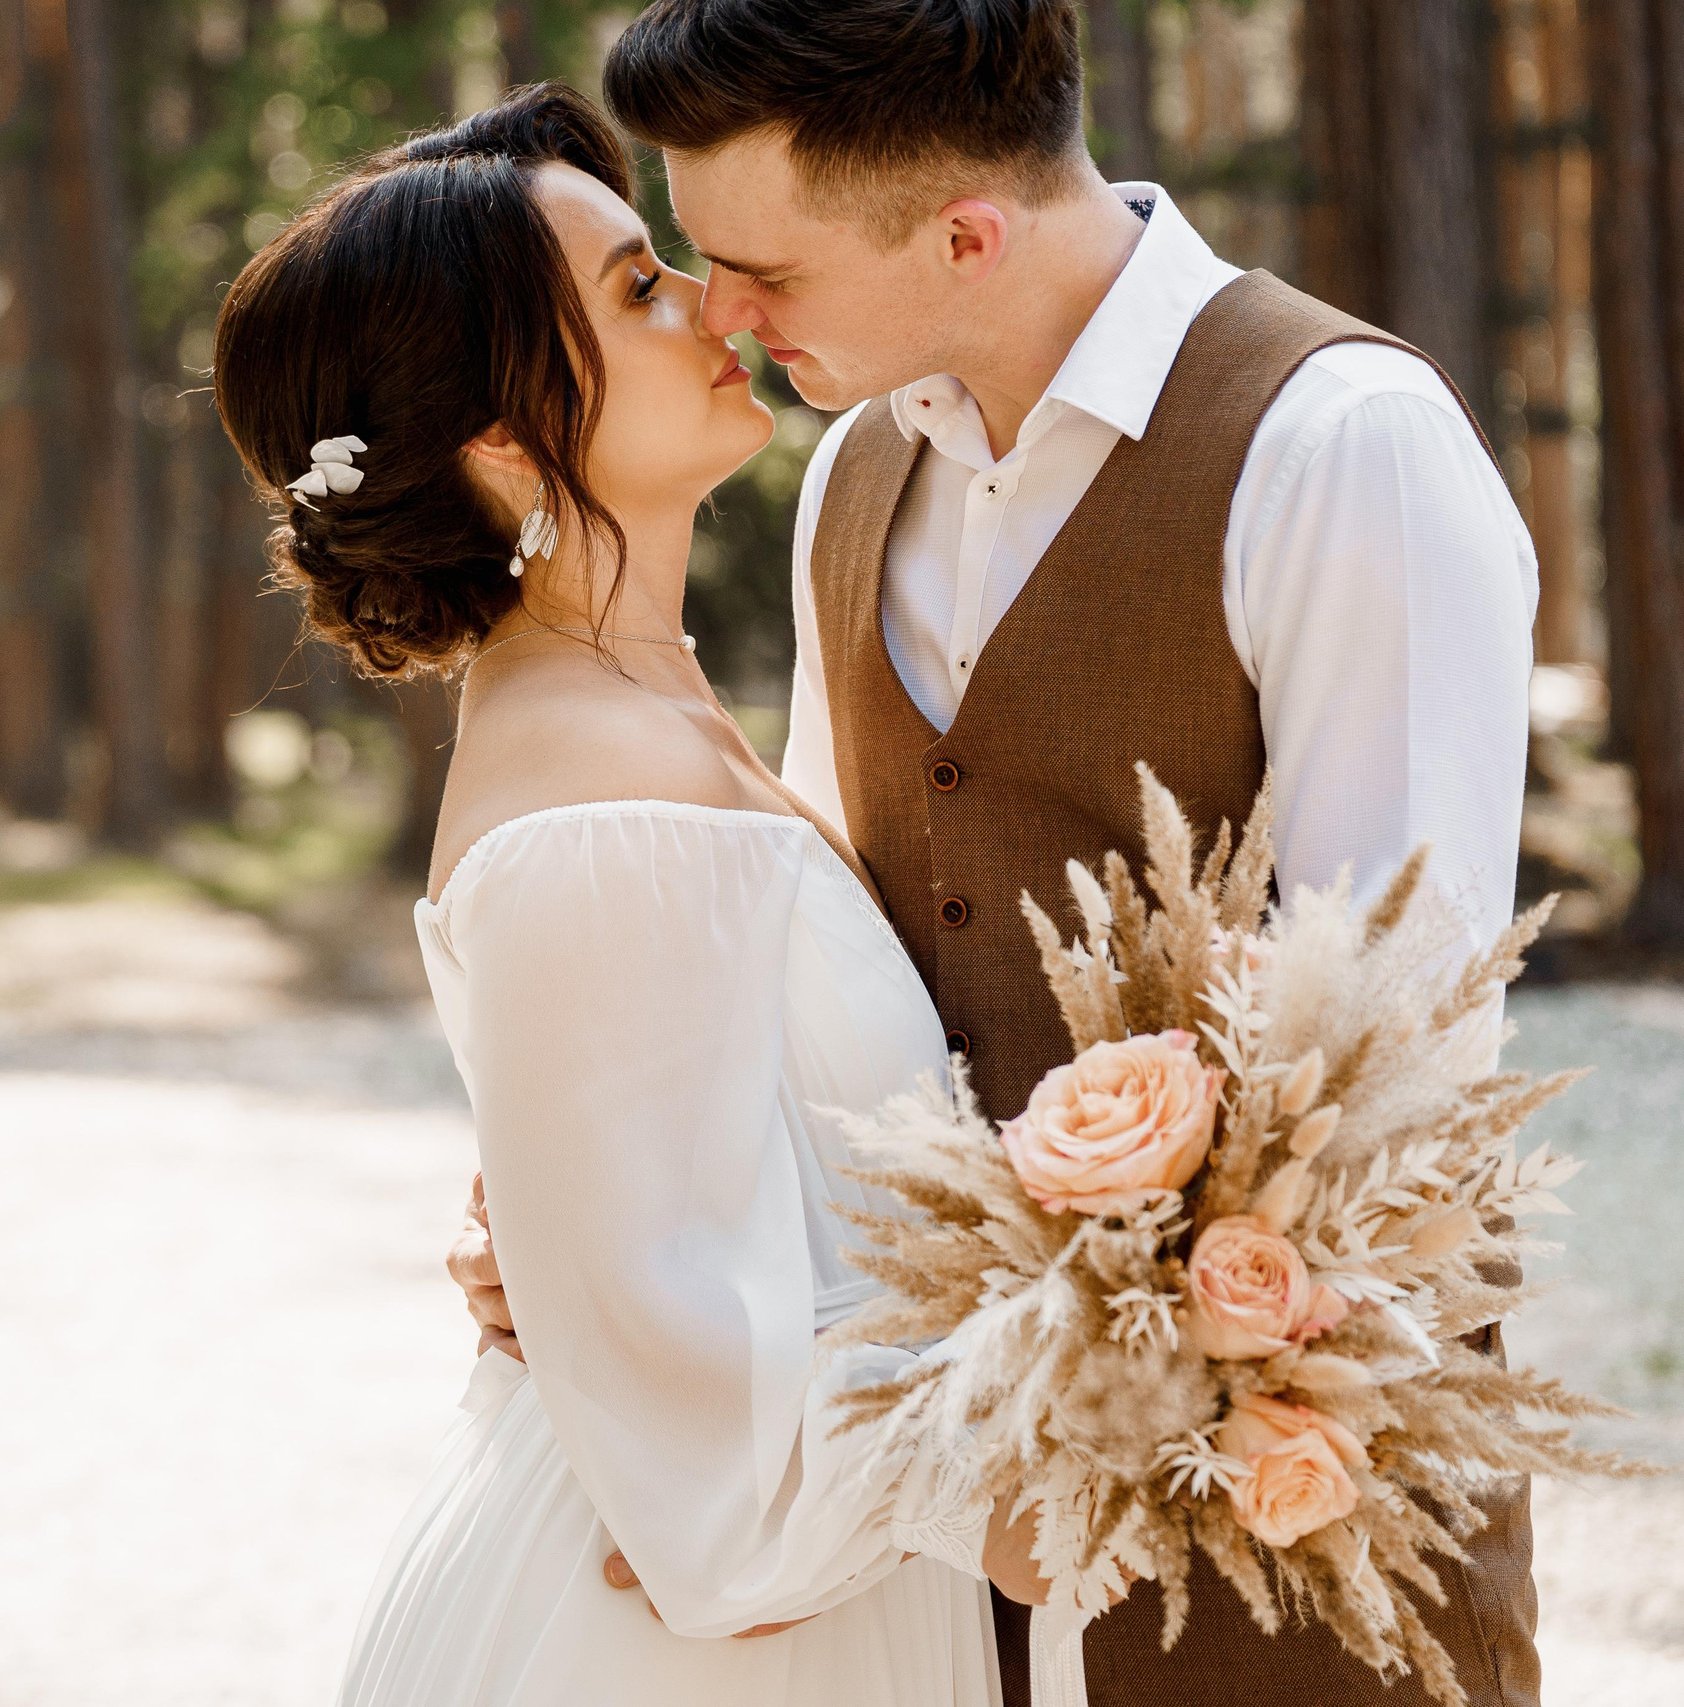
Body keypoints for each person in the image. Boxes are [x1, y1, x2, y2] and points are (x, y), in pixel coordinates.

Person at [450, 4, 1543, 1706]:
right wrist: (602, 1225)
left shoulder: (1342, 449)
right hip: (932, 1595)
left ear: (966, 233)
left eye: (768, 274)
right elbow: (823, 975)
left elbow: (1389, 1067)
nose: (722, 317)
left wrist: (1029, 1430)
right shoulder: (854, 481)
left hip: (1279, 1531)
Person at [213, 86, 1042, 1707]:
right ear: (507, 442)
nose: (716, 303)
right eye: (639, 290)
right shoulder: (597, 804)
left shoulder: (645, 721)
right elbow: (721, 1497)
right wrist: (1103, 1442)